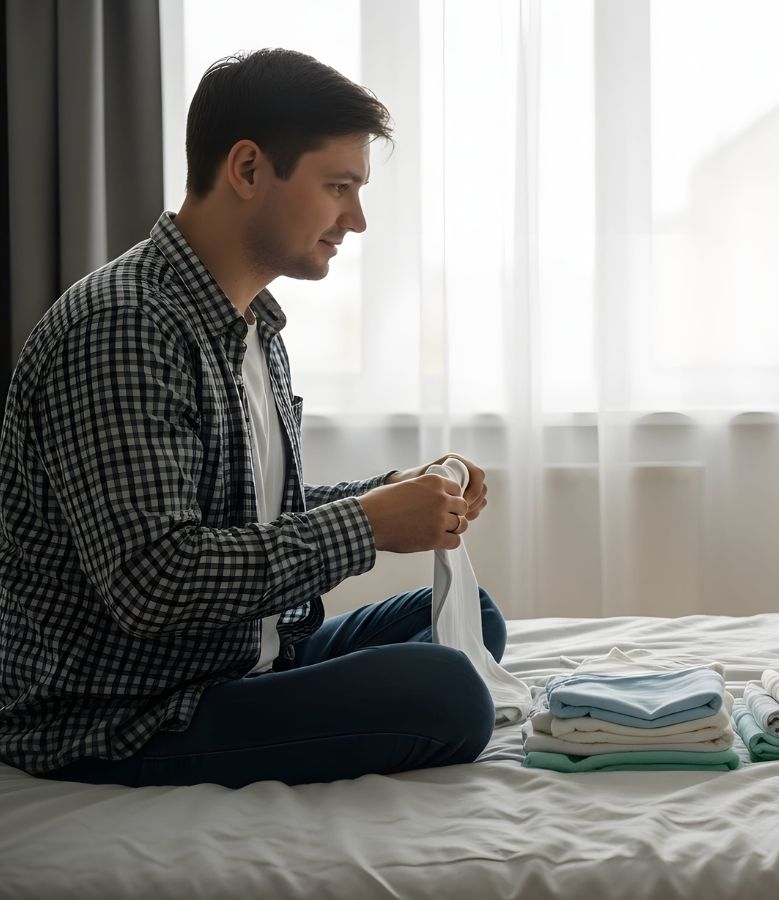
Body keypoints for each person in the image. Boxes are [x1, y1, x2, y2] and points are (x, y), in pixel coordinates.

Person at [0, 49, 506, 788]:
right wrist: (369, 526)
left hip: (232, 657)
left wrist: (394, 495)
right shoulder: (122, 327)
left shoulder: (251, 326)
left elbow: (248, 521)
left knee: (470, 618)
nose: (356, 220)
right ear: (246, 169)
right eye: (339, 187)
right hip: (125, 710)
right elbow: (156, 580)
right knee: (450, 694)